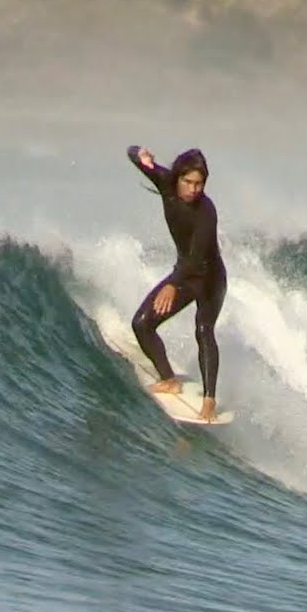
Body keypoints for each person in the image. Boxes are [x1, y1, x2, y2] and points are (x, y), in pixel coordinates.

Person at [126, 145, 227, 422]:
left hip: (210, 278)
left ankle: (209, 401)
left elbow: (196, 257)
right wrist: (140, 154)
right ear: (178, 177)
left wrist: (172, 284)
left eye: (199, 184)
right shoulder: (165, 182)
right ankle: (169, 380)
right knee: (141, 324)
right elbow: (133, 155)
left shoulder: (206, 211)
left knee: (204, 330)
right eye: (189, 182)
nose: (194, 189)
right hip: (185, 275)